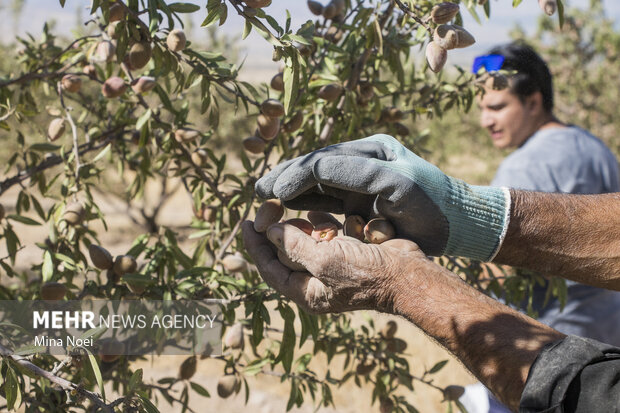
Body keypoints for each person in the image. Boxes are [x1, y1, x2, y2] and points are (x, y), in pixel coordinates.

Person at [244, 134, 620, 412]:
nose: (485, 119)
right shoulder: (589, 144)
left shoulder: (533, 161)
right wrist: (470, 215)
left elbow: (593, 395)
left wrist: (403, 284)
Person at [465, 42, 620, 412]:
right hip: (606, 346)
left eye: (497, 107)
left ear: (533, 102)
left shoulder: (523, 169)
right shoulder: (593, 146)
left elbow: (497, 282)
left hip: (548, 357)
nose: (486, 120)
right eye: (482, 108)